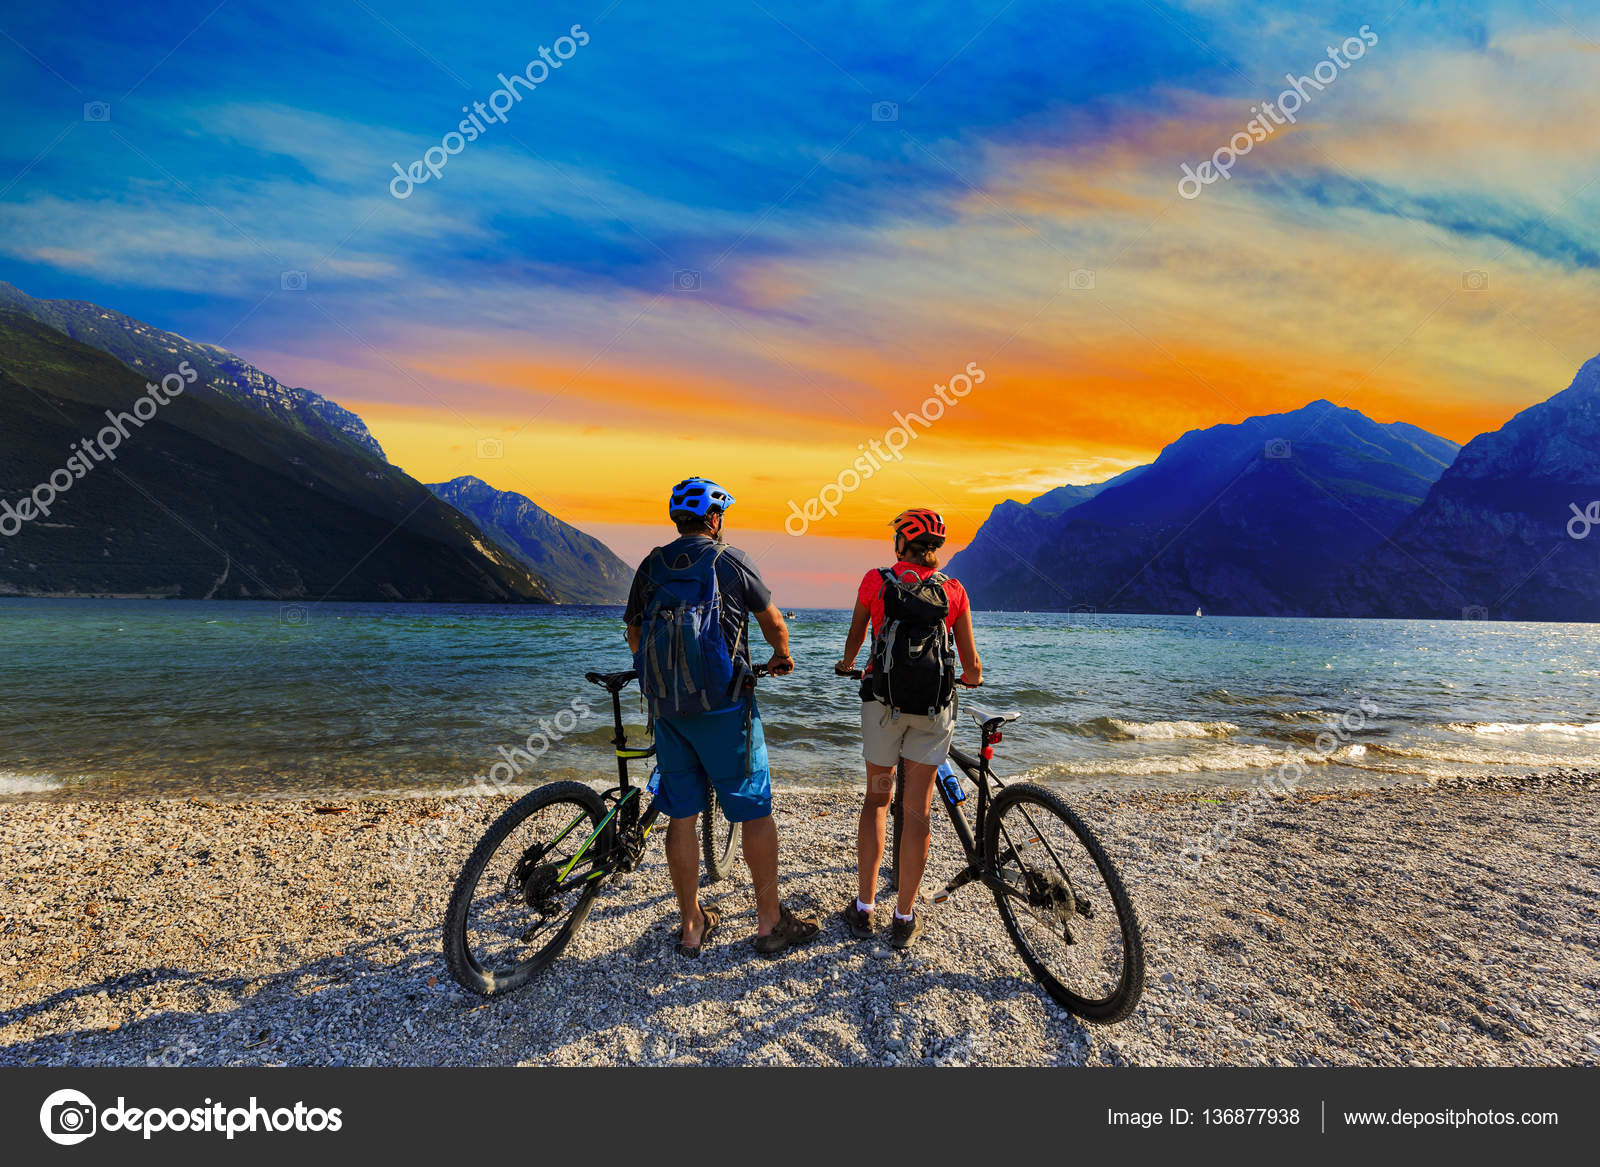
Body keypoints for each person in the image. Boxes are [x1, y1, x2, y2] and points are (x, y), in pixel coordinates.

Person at [624, 477, 820, 958]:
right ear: (715, 518)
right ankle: (769, 921)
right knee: (754, 812)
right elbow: (773, 623)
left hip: (667, 710)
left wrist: (664, 680)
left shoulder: (651, 564)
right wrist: (782, 656)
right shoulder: (729, 559)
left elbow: (633, 633)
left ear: (679, 519)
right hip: (724, 708)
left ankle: (692, 925)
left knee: (682, 816)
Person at [834, 508, 982, 949]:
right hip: (932, 711)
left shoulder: (876, 581)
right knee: (916, 811)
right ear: (935, 550)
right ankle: (903, 917)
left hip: (883, 705)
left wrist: (847, 665)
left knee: (878, 800)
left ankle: (863, 911)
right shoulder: (954, 590)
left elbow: (857, 637)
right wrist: (970, 678)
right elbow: (972, 665)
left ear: (902, 543)